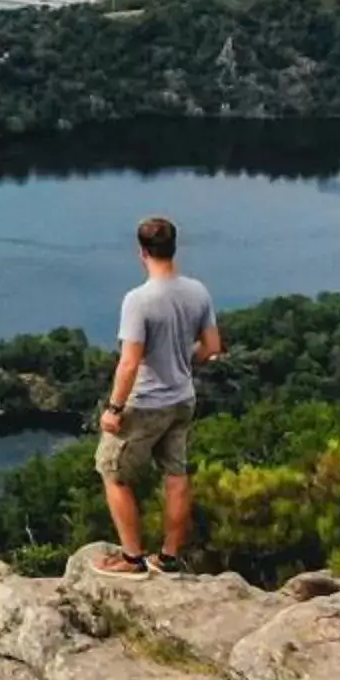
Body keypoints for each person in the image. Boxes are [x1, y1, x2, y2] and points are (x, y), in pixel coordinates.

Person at [89, 214, 221, 576]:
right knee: (176, 475)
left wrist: (114, 408)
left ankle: (132, 559)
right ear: (174, 248)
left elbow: (129, 363)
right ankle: (167, 557)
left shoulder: (139, 300)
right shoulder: (198, 291)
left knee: (112, 472)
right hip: (182, 400)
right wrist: (183, 364)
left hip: (145, 404)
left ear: (141, 252)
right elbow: (212, 347)